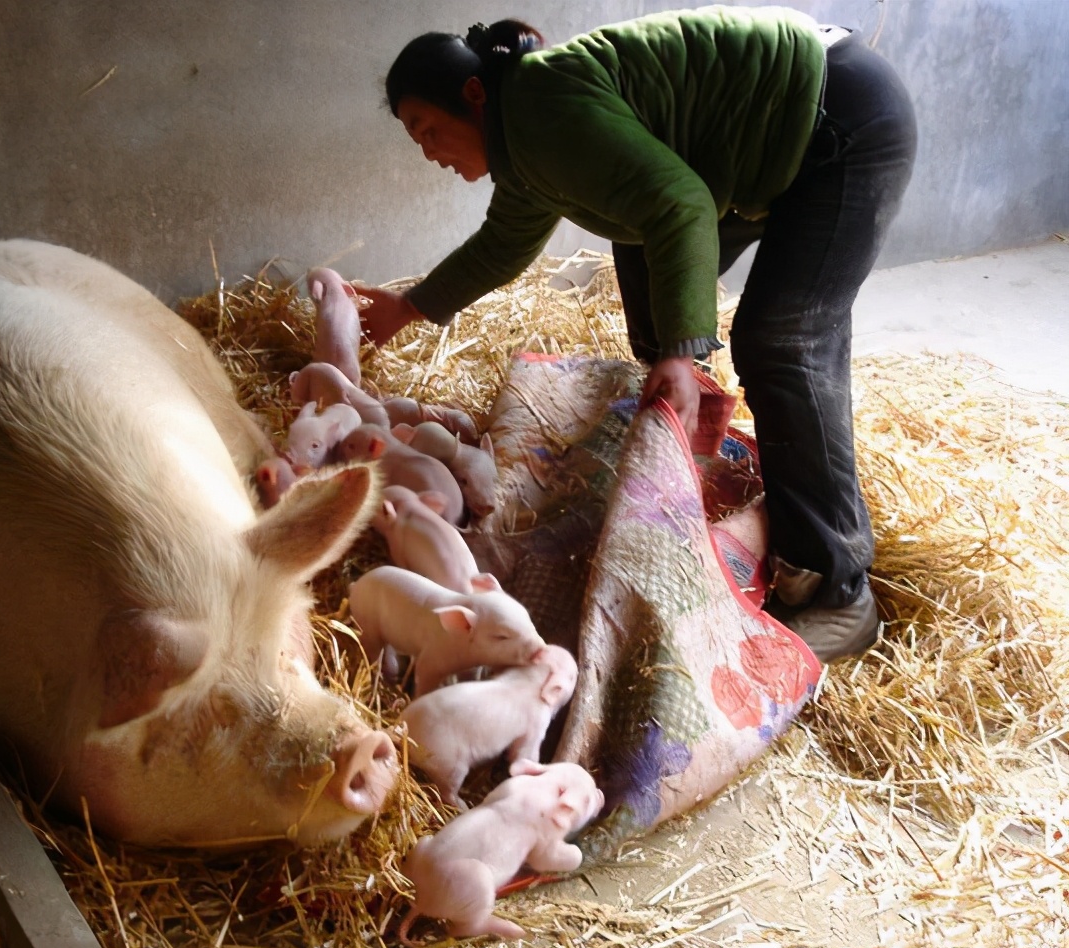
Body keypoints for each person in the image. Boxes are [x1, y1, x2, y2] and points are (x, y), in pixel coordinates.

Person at [352, 6, 917, 662]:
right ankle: (689, 440)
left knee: (783, 340)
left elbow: (679, 204)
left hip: (836, 112)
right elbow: (503, 244)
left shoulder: (541, 110)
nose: (428, 152)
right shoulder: (525, 135)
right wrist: (410, 306)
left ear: (473, 95)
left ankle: (838, 593)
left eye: (426, 128)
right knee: (648, 270)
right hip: (782, 126)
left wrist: (681, 348)